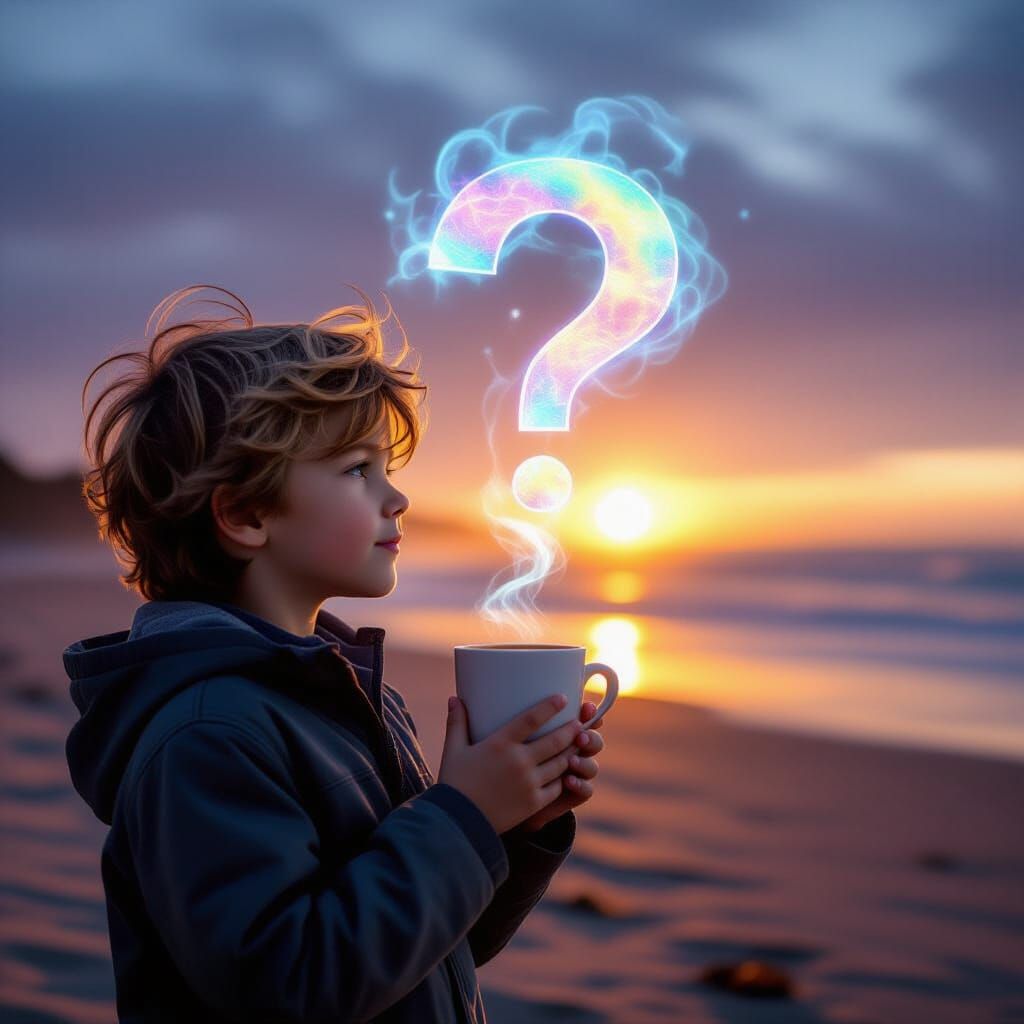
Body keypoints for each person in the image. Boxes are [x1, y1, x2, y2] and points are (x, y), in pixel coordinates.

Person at [62, 283, 606, 1022]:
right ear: (246, 513)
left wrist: (514, 824)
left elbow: (428, 947)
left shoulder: (343, 689)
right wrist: (462, 813)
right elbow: (295, 984)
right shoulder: (207, 736)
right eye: (358, 470)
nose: (397, 499)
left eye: (388, 470)